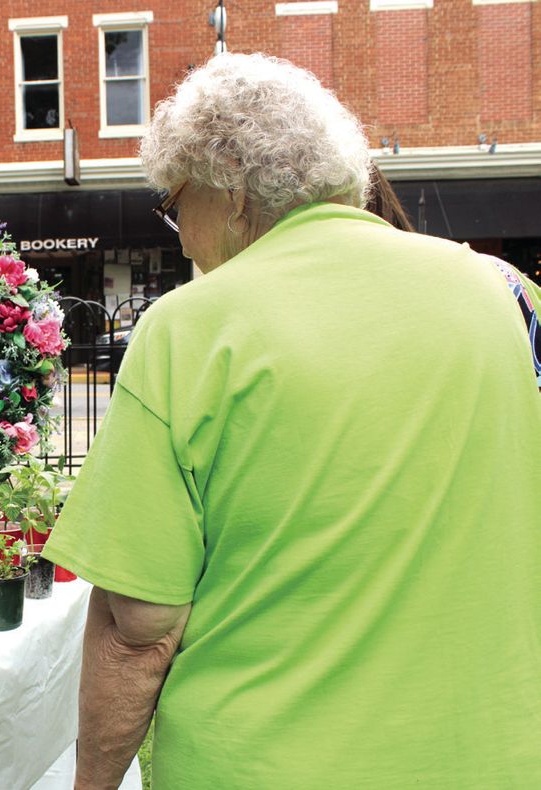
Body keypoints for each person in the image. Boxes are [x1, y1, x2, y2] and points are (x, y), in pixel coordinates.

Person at [43, 53, 540, 788]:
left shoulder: (189, 329)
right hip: (492, 753)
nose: (178, 235)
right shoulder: (508, 294)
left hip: (268, 763)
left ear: (233, 190)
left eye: (176, 203)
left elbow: (137, 629)